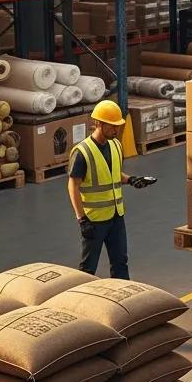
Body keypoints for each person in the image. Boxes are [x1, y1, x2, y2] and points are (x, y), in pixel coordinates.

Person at [68, 99, 155, 279]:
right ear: (98, 123)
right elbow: (73, 185)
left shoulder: (115, 145)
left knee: (120, 262)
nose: (116, 130)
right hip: (94, 220)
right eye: (112, 126)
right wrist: (81, 219)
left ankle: (122, 300)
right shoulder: (82, 152)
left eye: (118, 126)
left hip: (116, 216)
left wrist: (131, 180)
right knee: (88, 268)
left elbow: (113, 174)